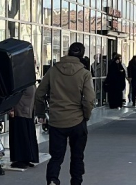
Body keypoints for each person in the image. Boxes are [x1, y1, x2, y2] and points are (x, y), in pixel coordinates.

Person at [35, 42, 96, 185]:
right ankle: (76, 182)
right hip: (77, 121)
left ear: (68, 52)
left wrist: (41, 113)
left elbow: (39, 94)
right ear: (82, 54)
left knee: (56, 157)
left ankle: (52, 180)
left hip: (56, 121)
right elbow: (89, 99)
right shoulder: (84, 73)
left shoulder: (53, 71)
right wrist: (85, 115)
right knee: (77, 157)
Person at [8, 85, 39, 169]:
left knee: (19, 134)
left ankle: (20, 159)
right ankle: (28, 158)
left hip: (20, 108)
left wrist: (11, 108)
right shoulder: (30, 80)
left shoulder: (21, 80)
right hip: (27, 108)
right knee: (27, 133)